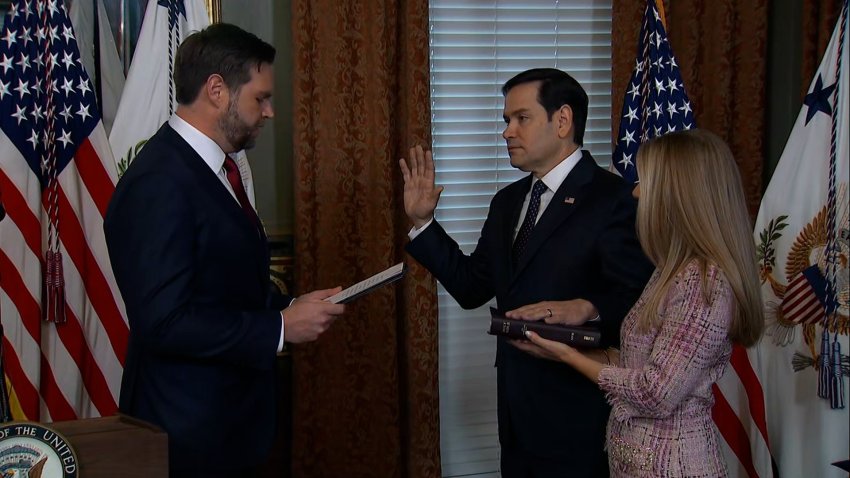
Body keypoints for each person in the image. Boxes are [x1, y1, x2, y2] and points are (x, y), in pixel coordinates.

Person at [104, 23, 345, 477]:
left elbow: (221, 287)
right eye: (261, 98)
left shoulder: (216, 169)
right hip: (187, 435)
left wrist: (291, 305)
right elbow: (165, 321)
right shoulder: (160, 180)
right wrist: (278, 327)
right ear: (217, 90)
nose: (270, 112)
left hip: (227, 427)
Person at [400, 68, 653, 477]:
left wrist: (586, 306)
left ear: (563, 120)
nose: (507, 132)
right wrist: (424, 223)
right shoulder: (507, 202)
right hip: (517, 418)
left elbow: (640, 302)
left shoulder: (615, 200)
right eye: (506, 121)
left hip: (581, 419)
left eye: (521, 118)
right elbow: (470, 286)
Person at [525, 129, 764, 477]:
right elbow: (645, 360)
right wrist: (561, 344)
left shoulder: (703, 281)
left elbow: (656, 392)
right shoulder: (671, 268)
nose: (635, 192)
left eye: (644, 181)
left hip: (676, 466)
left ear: (678, 194)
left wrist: (569, 357)